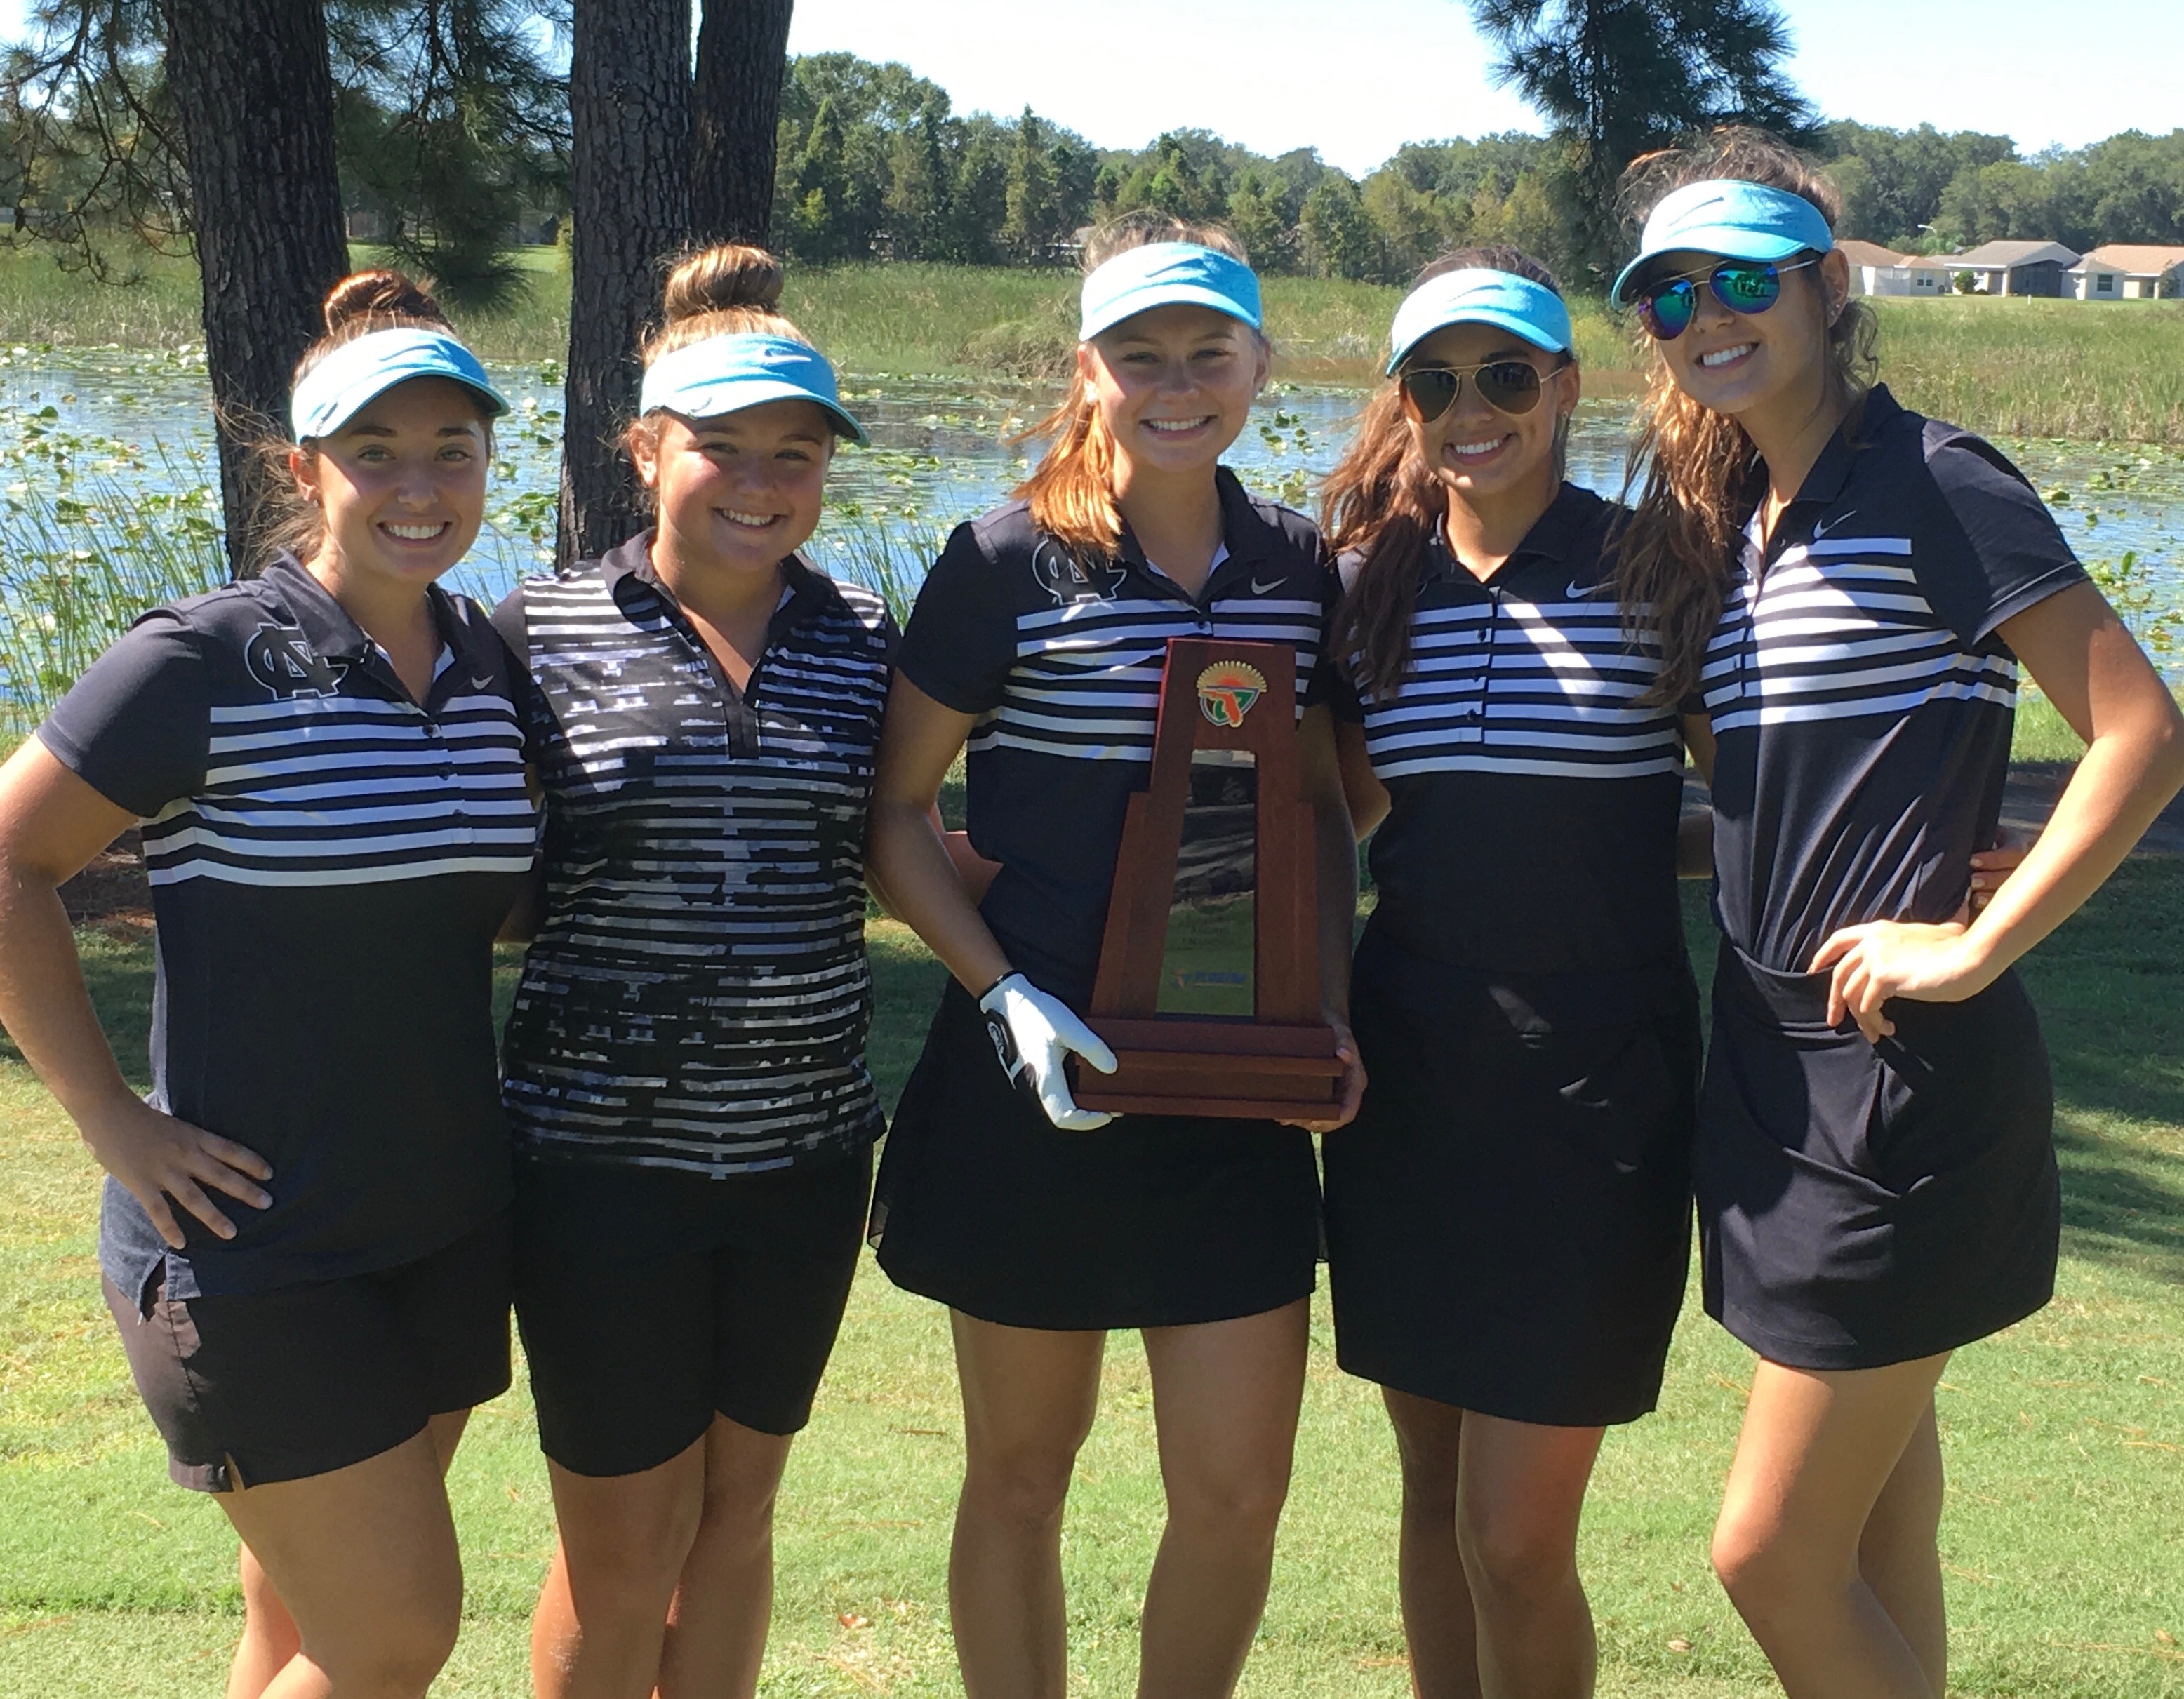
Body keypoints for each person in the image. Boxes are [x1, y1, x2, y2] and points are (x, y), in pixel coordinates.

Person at [1609, 128, 2184, 1699]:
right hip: (1770, 1071)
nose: (1703, 315)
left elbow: (2137, 730)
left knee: (1764, 1548)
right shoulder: (1732, 531)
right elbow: (1768, 807)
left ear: (1823, 286)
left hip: (1902, 1082)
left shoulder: (1933, 481)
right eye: (1667, 295)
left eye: (1739, 280)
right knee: (1874, 1541)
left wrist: (1977, 938)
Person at [0, 272, 531, 1698]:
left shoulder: (487, 664)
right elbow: (6, 860)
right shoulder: (202, 660)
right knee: (393, 1637)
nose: (418, 486)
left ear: (490, 460)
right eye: (376, 453)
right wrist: (111, 1117)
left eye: (452, 451)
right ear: (307, 470)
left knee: (298, 1629)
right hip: (250, 1243)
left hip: (437, 1218)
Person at [863, 216, 1364, 1699]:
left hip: (1231, 1095)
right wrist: (999, 989)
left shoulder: (1299, 569)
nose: (1174, 382)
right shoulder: (1004, 560)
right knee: (1019, 1476)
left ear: (1259, 363)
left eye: (1207, 352)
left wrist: (1319, 1004)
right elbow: (894, 808)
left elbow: (1322, 813)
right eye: (1137, 355)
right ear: (1086, 372)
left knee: (1232, 1490)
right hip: (1038, 1092)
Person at [492, 244, 893, 1699]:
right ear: (647, 447)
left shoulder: (860, 642)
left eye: (795, 454)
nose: (762, 480)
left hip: (803, 1155)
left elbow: (904, 845)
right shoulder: (532, 633)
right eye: (723, 448)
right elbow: (468, 872)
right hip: (600, 1165)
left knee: (736, 1519)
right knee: (623, 1538)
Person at [1317, 251, 1708, 1699]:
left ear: (1563, 385)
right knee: (1430, 1495)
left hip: (1597, 1098)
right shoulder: (1364, 589)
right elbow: (1333, 821)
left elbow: (1750, 807)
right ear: (1404, 401)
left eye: (1502, 375)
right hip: (1406, 1085)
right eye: (1435, 380)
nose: (1468, 407)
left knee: (1516, 1538)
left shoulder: (1654, 565)